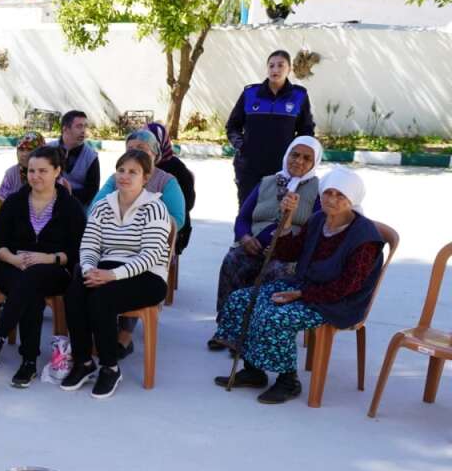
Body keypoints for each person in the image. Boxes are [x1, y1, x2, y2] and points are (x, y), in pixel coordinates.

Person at [213, 167, 382, 404]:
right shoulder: (318, 219)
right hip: (303, 285)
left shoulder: (364, 238)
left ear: (352, 199)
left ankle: (288, 381)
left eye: (340, 195)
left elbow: (347, 286)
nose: (332, 200)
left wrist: (301, 294)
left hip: (336, 302)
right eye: (328, 193)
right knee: (242, 299)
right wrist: (288, 219)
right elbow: (287, 253)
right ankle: (253, 369)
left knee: (276, 316)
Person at [0, 146, 86, 387]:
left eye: (43, 171)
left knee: (32, 279)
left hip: (53, 269)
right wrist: (14, 259)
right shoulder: (14, 202)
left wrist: (48, 258)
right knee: (30, 289)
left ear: (57, 171)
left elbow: (77, 250)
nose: (36, 176)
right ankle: (28, 362)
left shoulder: (70, 206)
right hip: (12, 267)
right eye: (32, 171)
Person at [60, 150, 170, 399]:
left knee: (102, 299)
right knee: (75, 291)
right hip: (106, 269)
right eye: (121, 170)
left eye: (133, 172)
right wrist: (89, 270)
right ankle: (83, 361)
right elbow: (89, 246)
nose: (125, 176)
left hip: (148, 276)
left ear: (146, 177)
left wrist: (112, 275)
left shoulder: (155, 208)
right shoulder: (103, 206)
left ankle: (110, 367)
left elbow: (151, 255)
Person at [208, 136, 323, 350]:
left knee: (276, 271)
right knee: (233, 260)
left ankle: (254, 332)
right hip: (254, 247)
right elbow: (242, 218)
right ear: (287, 155)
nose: (299, 161)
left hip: (289, 254)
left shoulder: (319, 190)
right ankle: (227, 327)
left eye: (307, 158)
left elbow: (316, 230)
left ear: (314, 162)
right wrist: (245, 238)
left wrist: (286, 245)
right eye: (295, 155)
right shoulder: (268, 182)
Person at [226, 49, 316, 204]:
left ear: (289, 69)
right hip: (249, 166)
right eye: (271, 65)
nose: (275, 69)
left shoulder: (299, 96)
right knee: (247, 208)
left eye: (281, 65)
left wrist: (297, 157)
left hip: (283, 167)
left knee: (277, 210)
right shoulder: (250, 93)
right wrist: (242, 146)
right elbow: (233, 125)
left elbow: (306, 130)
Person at [145, 122, 195, 254]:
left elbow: (188, 203)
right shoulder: (133, 165)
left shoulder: (176, 168)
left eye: (147, 142)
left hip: (172, 230)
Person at [48, 110, 101, 208]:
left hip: (77, 205)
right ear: (65, 129)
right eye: (79, 126)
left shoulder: (91, 156)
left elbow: (92, 191)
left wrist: (66, 194)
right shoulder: (48, 149)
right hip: (47, 201)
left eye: (85, 126)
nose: (83, 131)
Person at [0, 131, 46, 201]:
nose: (24, 154)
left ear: (41, 151)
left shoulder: (49, 172)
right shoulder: (11, 173)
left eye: (29, 149)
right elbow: (1, 200)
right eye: (21, 149)